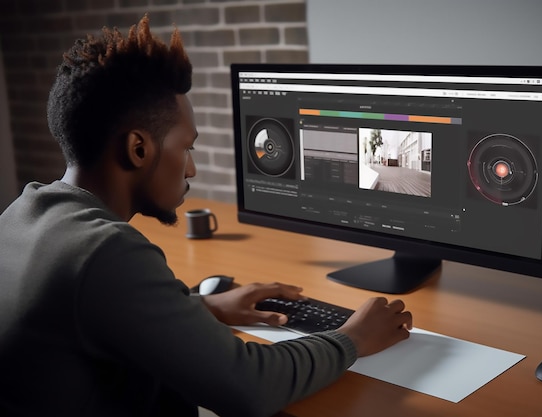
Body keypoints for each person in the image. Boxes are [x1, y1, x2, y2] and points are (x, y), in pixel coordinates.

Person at [0, 15, 412, 417]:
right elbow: (251, 387)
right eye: (187, 147)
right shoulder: (105, 251)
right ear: (138, 149)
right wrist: (353, 337)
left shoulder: (22, 213)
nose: (191, 168)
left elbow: (97, 314)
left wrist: (203, 306)